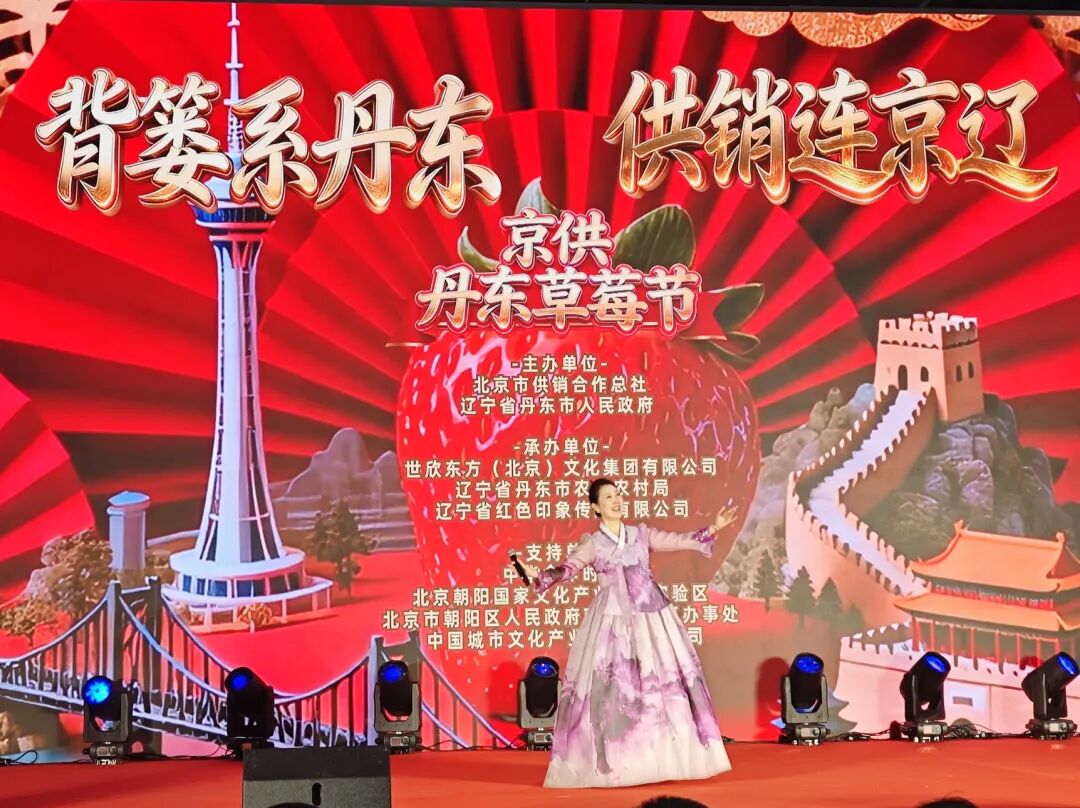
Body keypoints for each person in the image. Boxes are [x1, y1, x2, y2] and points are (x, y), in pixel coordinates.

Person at [518, 477, 736, 789]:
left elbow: (679, 541)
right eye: (608, 497)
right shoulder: (594, 543)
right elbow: (567, 569)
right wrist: (537, 575)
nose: (617, 500)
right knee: (612, 692)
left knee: (663, 687)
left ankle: (666, 757)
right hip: (613, 624)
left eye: (618, 494)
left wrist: (713, 528)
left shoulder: (640, 534)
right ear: (596, 507)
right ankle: (615, 761)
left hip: (651, 618)